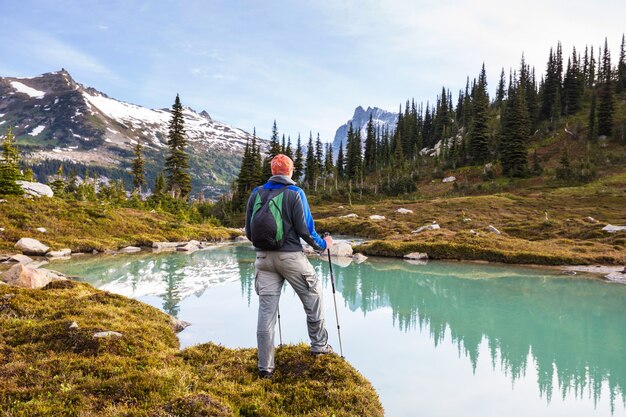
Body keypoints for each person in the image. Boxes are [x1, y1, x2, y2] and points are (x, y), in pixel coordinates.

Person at [245, 154, 334, 379]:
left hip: (263, 260)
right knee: (313, 297)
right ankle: (319, 346)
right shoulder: (295, 193)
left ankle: (265, 368)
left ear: (272, 170)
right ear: (291, 171)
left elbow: (248, 231)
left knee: (266, 313)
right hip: (291, 259)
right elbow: (305, 229)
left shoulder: (256, 193)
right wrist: (324, 245)